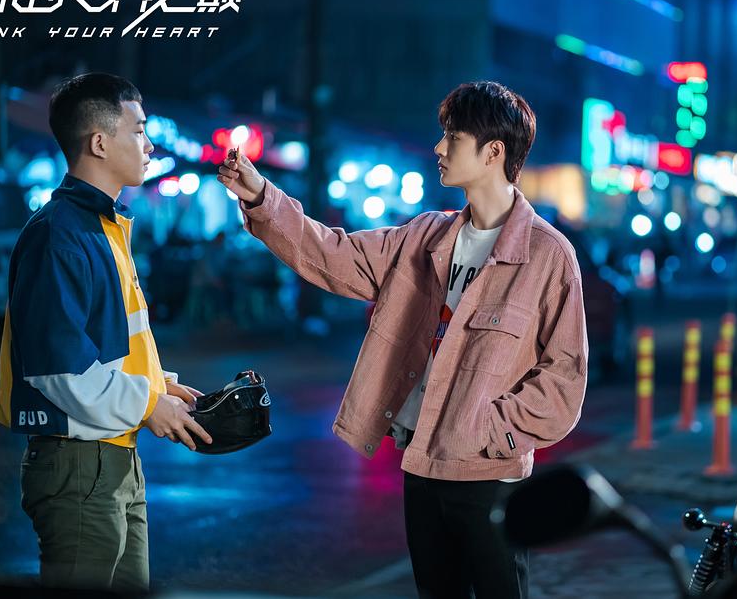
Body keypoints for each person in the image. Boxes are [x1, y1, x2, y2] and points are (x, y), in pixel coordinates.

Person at [219, 81, 588, 599]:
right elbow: (333, 255)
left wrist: (491, 431)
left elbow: (564, 378)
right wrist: (262, 197)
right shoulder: (424, 236)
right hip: (421, 467)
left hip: (489, 478)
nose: (439, 147)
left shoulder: (547, 256)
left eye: (452, 137)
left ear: (493, 152)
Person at [0, 73, 212, 590]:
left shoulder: (103, 227)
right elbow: (60, 370)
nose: (149, 145)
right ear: (99, 142)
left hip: (113, 458)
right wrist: (149, 404)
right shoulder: (60, 234)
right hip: (79, 465)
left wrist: (160, 385)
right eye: (138, 130)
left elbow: (108, 344)